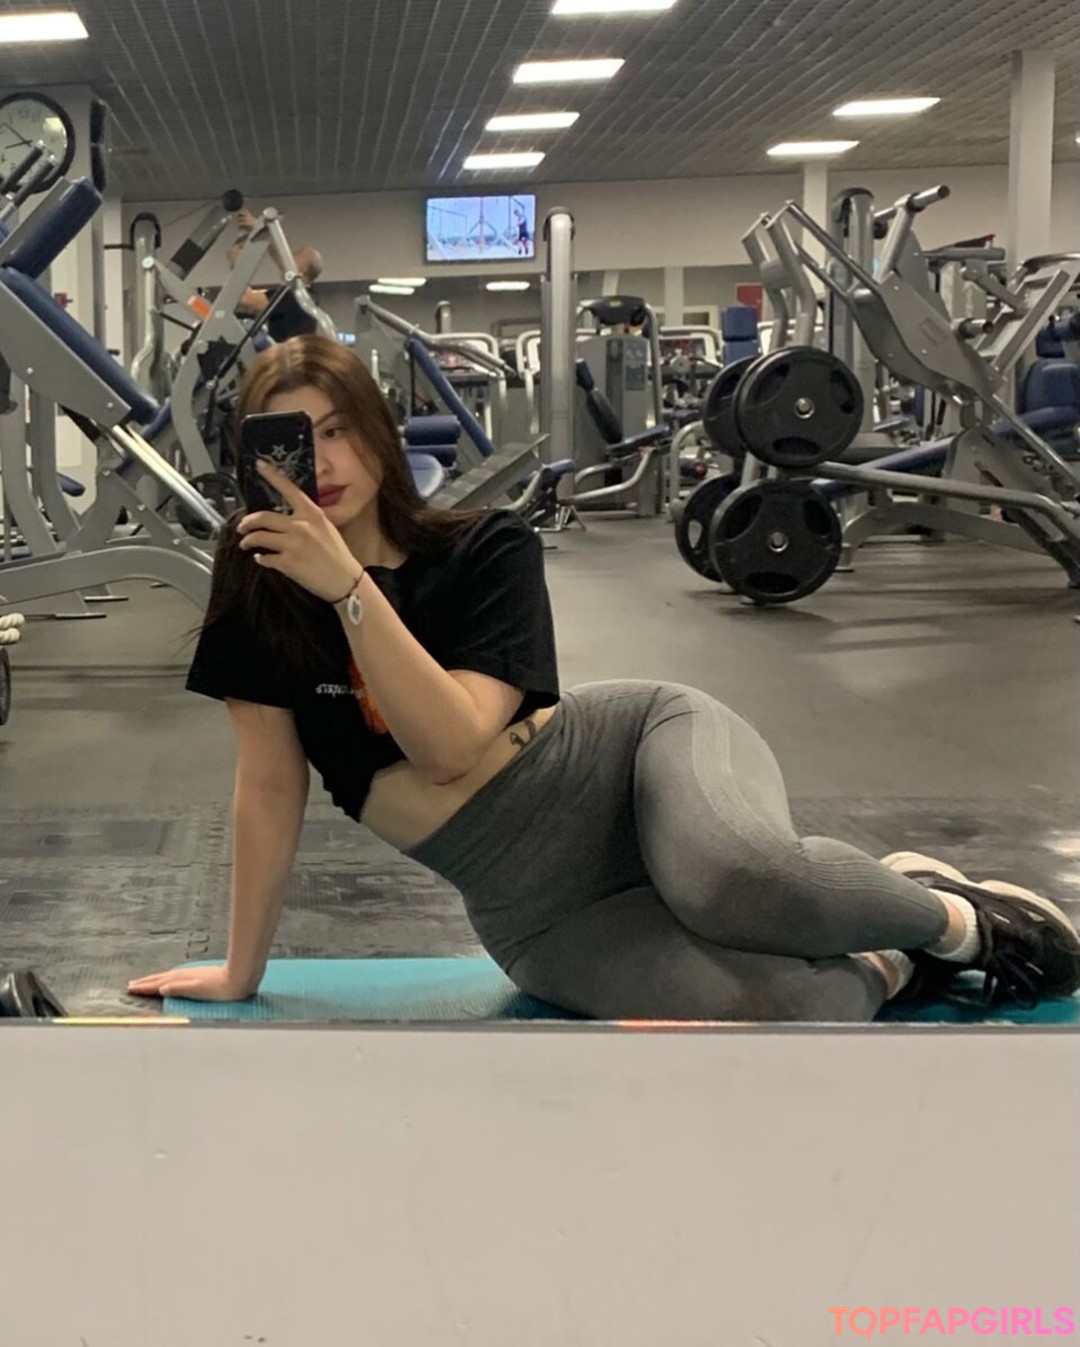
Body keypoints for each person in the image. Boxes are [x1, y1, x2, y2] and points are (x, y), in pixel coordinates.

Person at [129, 336, 1080, 1020]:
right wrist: (242, 971)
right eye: (295, 440)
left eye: (339, 429)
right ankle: (888, 953)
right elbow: (269, 782)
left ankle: (954, 917)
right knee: (795, 1006)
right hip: (537, 908)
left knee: (738, 880)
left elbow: (452, 745)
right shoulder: (258, 588)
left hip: (625, 762)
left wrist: (349, 589)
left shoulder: (485, 549)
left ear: (379, 433)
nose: (324, 461)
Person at [226, 207, 325, 343]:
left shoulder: (293, 297)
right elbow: (280, 257)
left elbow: (247, 300)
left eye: (294, 257)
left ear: (303, 269)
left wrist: (236, 264)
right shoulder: (306, 297)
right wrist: (261, 230)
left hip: (288, 355)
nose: (288, 260)